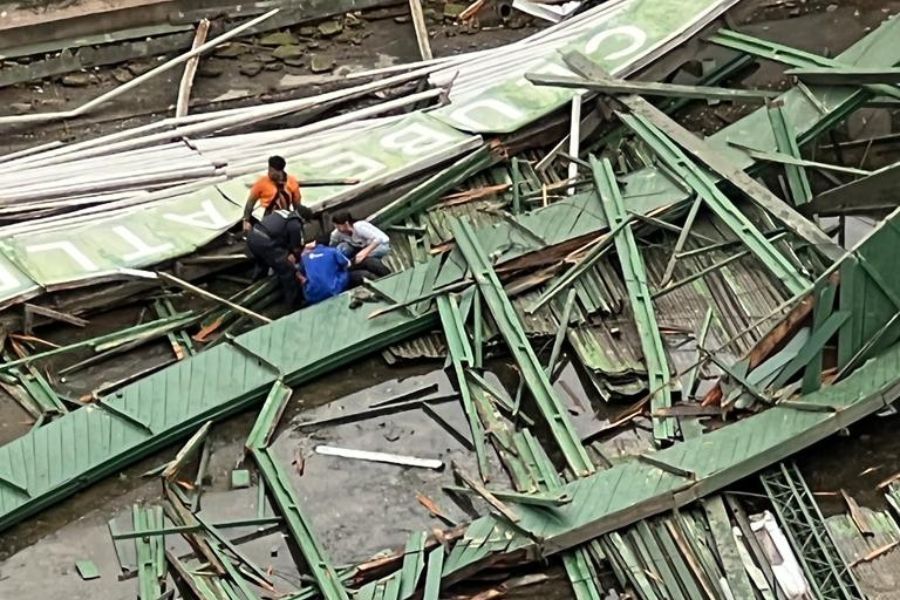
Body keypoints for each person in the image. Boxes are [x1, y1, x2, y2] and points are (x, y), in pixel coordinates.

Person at [246, 208, 305, 308]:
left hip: (252, 237)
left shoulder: (282, 212)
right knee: (287, 272)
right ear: (303, 219)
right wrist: (295, 258)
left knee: (262, 263)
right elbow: (296, 248)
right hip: (266, 242)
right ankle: (293, 303)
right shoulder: (295, 224)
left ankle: (254, 285)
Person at [298, 235, 375, 305]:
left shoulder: (304, 258)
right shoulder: (332, 251)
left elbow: (301, 273)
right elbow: (348, 264)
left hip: (312, 297)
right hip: (335, 290)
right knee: (362, 274)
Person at [242, 156, 301, 234]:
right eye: (269, 170)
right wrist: (246, 220)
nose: (269, 173)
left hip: (285, 215)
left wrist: (298, 218)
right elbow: (250, 202)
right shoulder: (261, 182)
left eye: (272, 171)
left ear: (280, 171)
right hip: (268, 218)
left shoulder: (292, 182)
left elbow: (296, 203)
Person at [329, 211, 391, 277]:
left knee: (366, 258)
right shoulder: (336, 234)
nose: (337, 229)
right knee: (343, 247)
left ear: (346, 223)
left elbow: (378, 239)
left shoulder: (359, 227)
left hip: (380, 245)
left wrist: (364, 253)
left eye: (338, 226)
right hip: (360, 246)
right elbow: (332, 247)